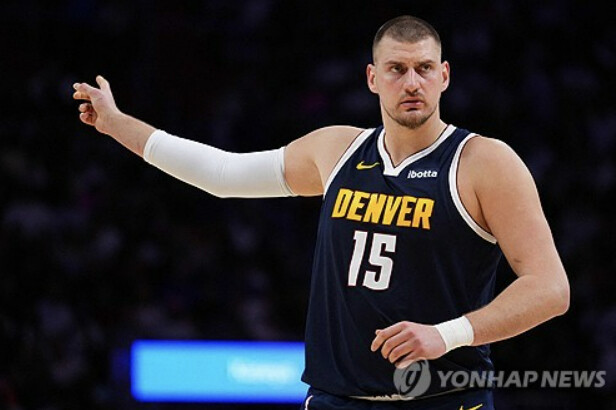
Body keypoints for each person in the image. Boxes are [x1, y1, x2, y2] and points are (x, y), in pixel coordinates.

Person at [73, 15, 569, 410]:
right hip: (335, 399)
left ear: (445, 76)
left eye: (424, 68)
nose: (412, 82)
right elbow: (222, 175)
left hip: (443, 398)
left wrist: (447, 334)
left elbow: (550, 288)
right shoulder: (336, 150)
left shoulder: (483, 161)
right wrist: (117, 125)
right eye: (397, 69)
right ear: (373, 78)